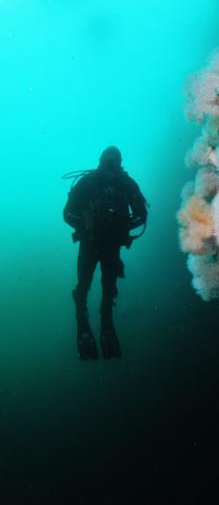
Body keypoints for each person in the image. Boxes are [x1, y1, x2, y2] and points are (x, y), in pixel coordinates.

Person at [63, 146, 148, 360]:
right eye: (107, 161)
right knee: (90, 284)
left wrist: (120, 226)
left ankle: (102, 318)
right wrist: (88, 225)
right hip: (91, 241)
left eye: (113, 161)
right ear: (101, 162)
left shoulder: (124, 184)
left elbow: (142, 215)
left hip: (106, 244)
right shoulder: (90, 182)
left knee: (103, 286)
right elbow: (68, 213)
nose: (110, 165)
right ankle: (86, 317)